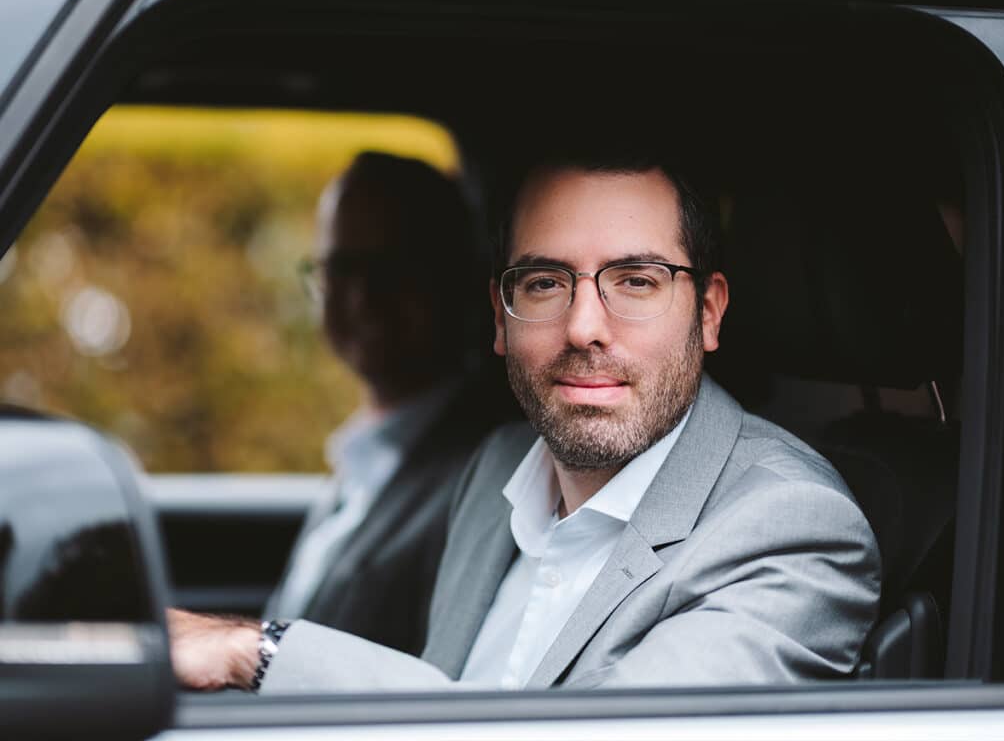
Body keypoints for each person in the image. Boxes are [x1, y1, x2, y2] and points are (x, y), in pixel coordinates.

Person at [169, 145, 880, 692]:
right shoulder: (496, 471)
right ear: (500, 319)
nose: (584, 327)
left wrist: (255, 653)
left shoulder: (793, 527)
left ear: (710, 311)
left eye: (635, 281)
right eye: (544, 284)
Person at [264, 152, 510, 656]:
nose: (362, 296)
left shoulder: (488, 473)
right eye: (341, 268)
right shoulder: (360, 459)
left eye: (392, 267)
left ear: (454, 277)